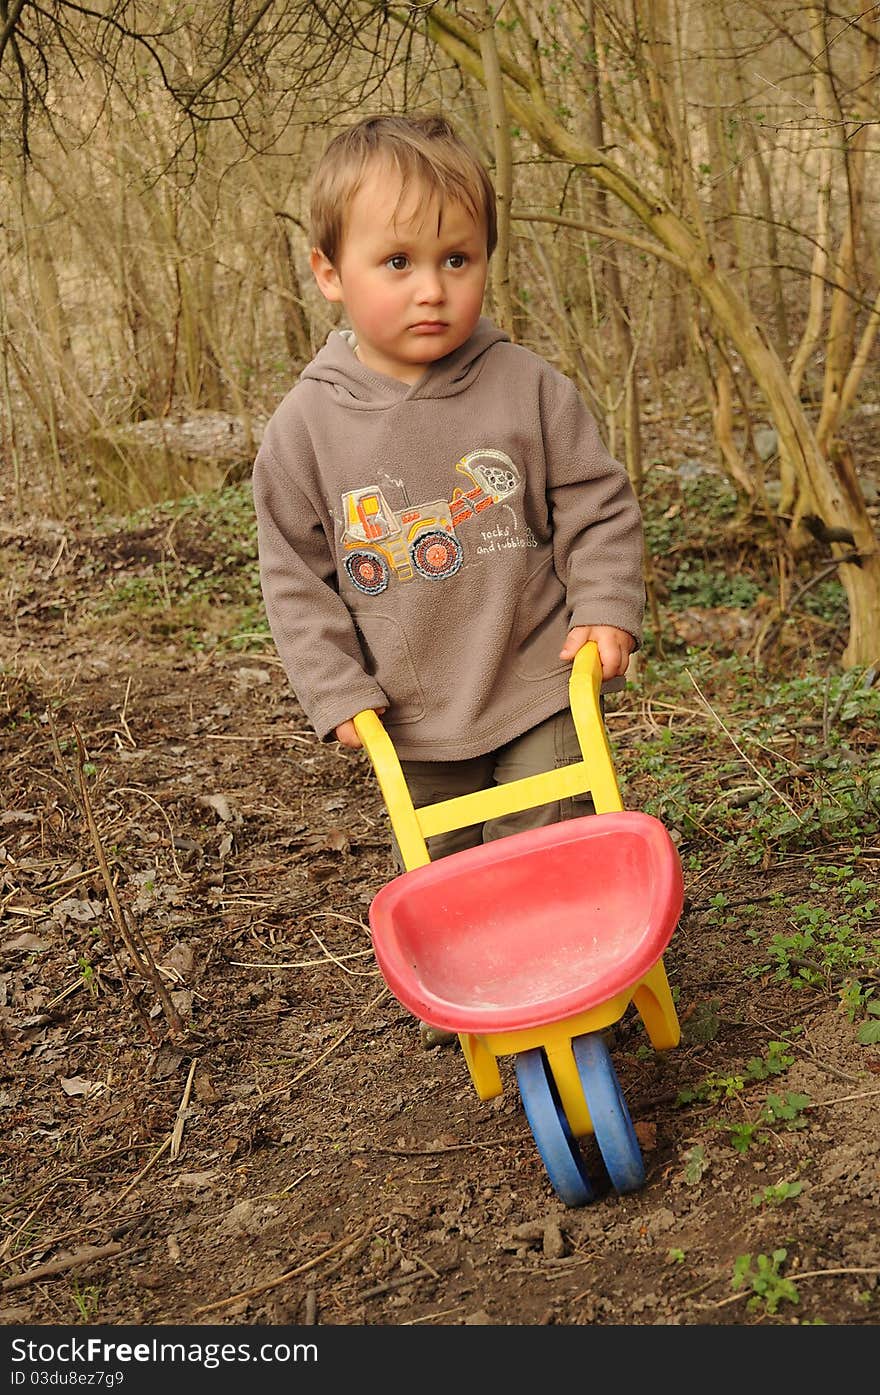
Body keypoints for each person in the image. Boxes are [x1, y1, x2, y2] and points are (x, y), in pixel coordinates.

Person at [252, 114, 645, 1044]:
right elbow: (295, 577)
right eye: (397, 263)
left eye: (458, 260)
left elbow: (596, 501)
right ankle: (487, 995)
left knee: (545, 854)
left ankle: (567, 1005)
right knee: (452, 875)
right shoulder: (306, 431)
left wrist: (604, 605)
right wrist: (336, 689)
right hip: (411, 714)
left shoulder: (525, 385)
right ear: (327, 272)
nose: (432, 290)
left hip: (537, 682)